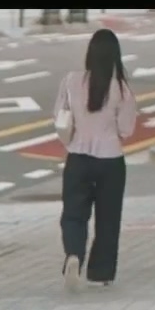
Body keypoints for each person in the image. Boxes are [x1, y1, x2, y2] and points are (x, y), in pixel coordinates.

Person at [53, 28, 138, 290]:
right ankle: (100, 273)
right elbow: (126, 129)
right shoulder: (121, 89)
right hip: (110, 160)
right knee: (108, 219)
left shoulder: (71, 81)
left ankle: (74, 254)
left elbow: (59, 116)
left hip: (78, 157)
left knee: (73, 213)